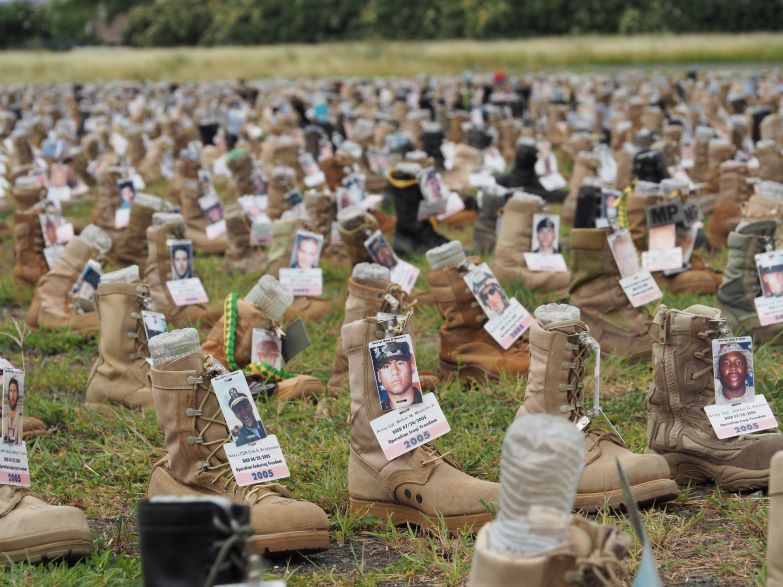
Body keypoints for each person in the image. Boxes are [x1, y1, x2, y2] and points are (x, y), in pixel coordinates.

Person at [373, 341, 423, 411]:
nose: (394, 371)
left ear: (412, 367)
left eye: (400, 363)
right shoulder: (377, 414)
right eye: (386, 367)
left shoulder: (428, 401)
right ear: (378, 376)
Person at [3, 377, 21, 444]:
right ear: (8, 393)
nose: (13, 395)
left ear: (18, 394)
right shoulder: (5, 415)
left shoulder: (20, 415)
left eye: (15, 391)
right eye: (11, 391)